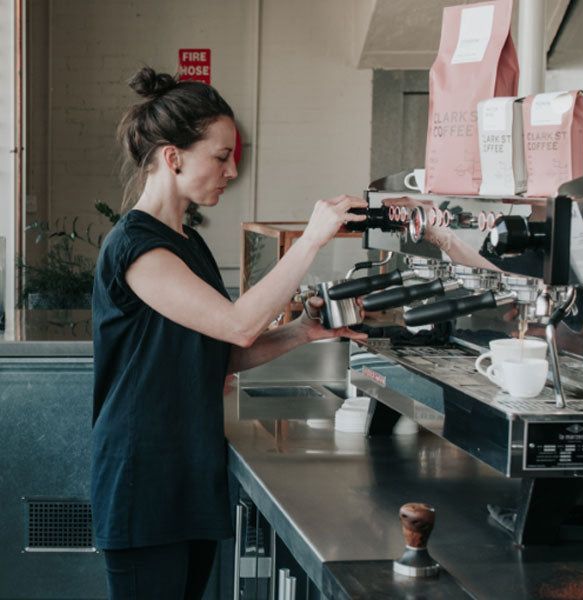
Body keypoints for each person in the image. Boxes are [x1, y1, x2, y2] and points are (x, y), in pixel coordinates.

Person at [91, 66, 368, 599]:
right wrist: (311, 239)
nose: (232, 170)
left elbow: (218, 353)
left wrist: (303, 333)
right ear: (172, 158)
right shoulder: (137, 247)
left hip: (188, 473)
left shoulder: (186, 243)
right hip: (143, 479)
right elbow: (239, 325)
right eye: (221, 156)